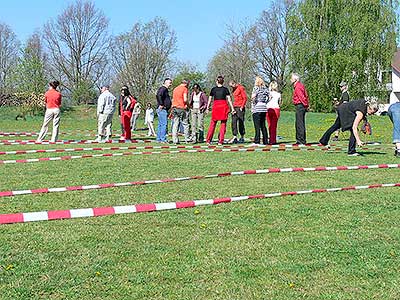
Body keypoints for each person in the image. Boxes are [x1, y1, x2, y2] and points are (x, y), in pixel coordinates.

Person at [206, 75, 235, 145]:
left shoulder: (213, 89)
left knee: (213, 124)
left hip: (216, 106)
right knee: (223, 124)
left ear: (217, 81)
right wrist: (232, 108)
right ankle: (220, 141)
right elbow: (229, 99)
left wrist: (207, 107)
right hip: (223, 106)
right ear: (223, 82)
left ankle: (208, 140)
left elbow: (210, 99)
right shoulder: (225, 89)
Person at [250, 76, 269, 146]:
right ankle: (265, 140)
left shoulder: (256, 88)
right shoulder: (265, 89)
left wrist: (254, 102)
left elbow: (253, 97)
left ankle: (257, 140)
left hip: (257, 108)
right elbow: (270, 96)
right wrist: (265, 102)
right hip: (264, 108)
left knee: (257, 125)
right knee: (263, 125)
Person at [291, 73, 309, 145]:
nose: (290, 79)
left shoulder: (298, 87)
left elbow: (302, 97)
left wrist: (305, 105)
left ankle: (301, 140)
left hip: (300, 105)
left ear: (295, 79)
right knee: (299, 123)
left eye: (291, 78)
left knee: (299, 123)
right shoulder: (300, 86)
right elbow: (306, 95)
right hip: (301, 105)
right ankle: (300, 139)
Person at [171, 79, 191, 144]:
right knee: (185, 124)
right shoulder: (184, 89)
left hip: (174, 108)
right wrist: (189, 105)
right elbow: (185, 99)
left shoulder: (175, 89)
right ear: (186, 83)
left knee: (175, 124)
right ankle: (187, 139)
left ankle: (175, 140)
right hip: (182, 108)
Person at [156, 78, 172, 143]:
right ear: (165, 83)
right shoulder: (163, 89)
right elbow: (158, 95)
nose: (170, 84)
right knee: (164, 124)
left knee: (160, 124)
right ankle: (163, 139)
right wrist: (161, 104)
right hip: (162, 109)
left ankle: (159, 139)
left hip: (162, 109)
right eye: (169, 83)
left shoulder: (164, 89)